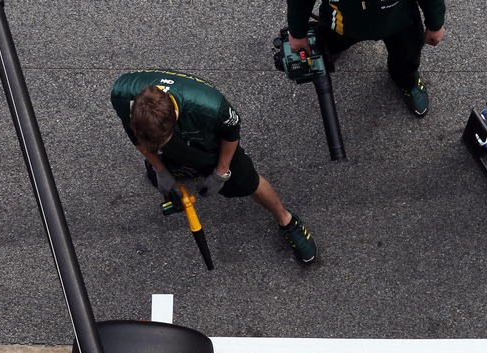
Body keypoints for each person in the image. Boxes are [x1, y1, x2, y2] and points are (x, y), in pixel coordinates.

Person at [110, 70, 317, 264]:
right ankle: (182, 166)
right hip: (171, 142)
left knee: (249, 182)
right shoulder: (121, 95)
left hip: (210, 144)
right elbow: (136, 137)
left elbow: (232, 132)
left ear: (175, 112)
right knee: (164, 165)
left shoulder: (208, 107)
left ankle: (287, 220)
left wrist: (222, 171)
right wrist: (159, 168)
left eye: (163, 141)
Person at [286, 0, 445, 117]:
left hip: (398, 21)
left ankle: (408, 82)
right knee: (327, 45)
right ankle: (330, 52)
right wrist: (297, 32)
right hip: (342, 23)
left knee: (406, 57)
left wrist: (435, 23)